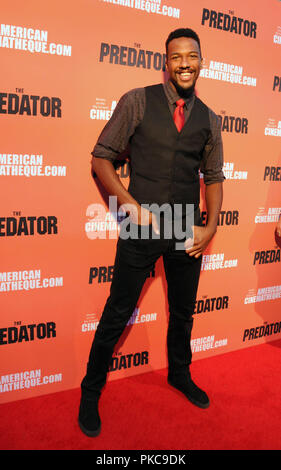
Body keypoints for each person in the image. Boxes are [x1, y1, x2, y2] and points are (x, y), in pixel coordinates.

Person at [78, 28, 225, 437]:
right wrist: (128, 203)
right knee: (117, 310)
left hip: (186, 230)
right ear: (166, 61)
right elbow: (101, 157)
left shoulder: (211, 119)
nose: (184, 63)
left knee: (182, 314)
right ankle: (91, 390)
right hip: (141, 226)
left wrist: (210, 226)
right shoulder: (137, 101)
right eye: (176, 56)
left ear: (201, 61)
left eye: (191, 56)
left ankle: (180, 373)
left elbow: (213, 177)